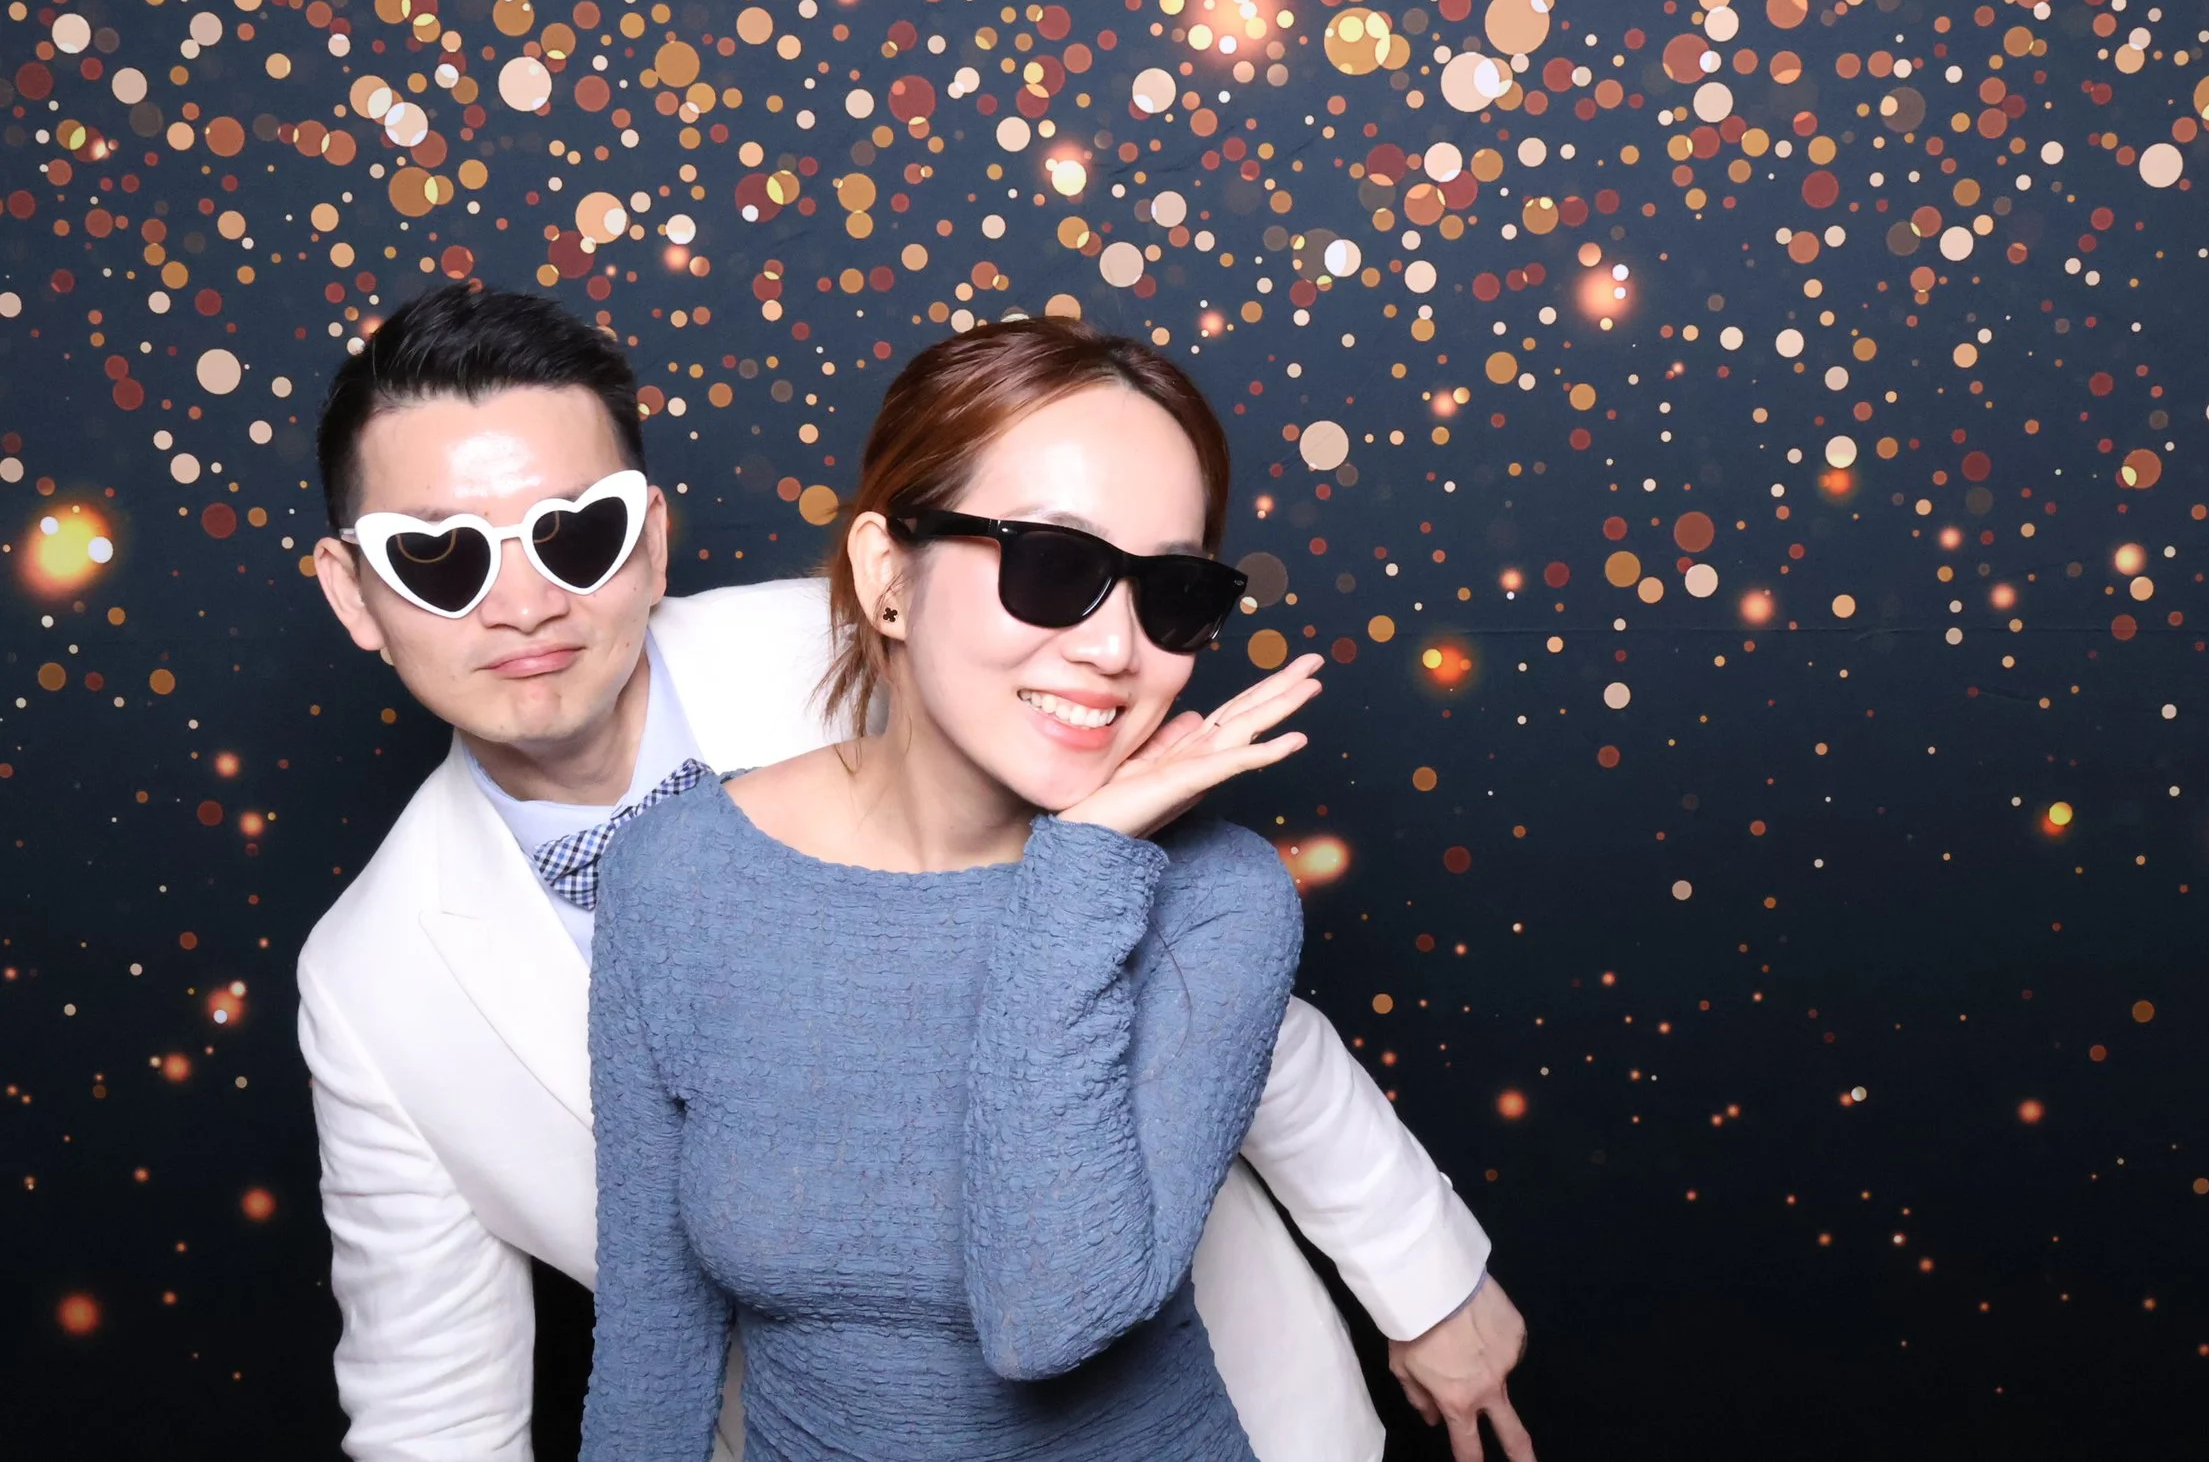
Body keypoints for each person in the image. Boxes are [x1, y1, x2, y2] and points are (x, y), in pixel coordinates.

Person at [295, 286, 1534, 1462]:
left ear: (652, 539)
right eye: (440, 557)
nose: (524, 602)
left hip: (1209, 1382)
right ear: (353, 592)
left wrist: (1423, 1274)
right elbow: (438, 1403)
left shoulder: (962, 647)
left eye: (578, 533)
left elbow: (1231, 1004)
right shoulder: (372, 986)